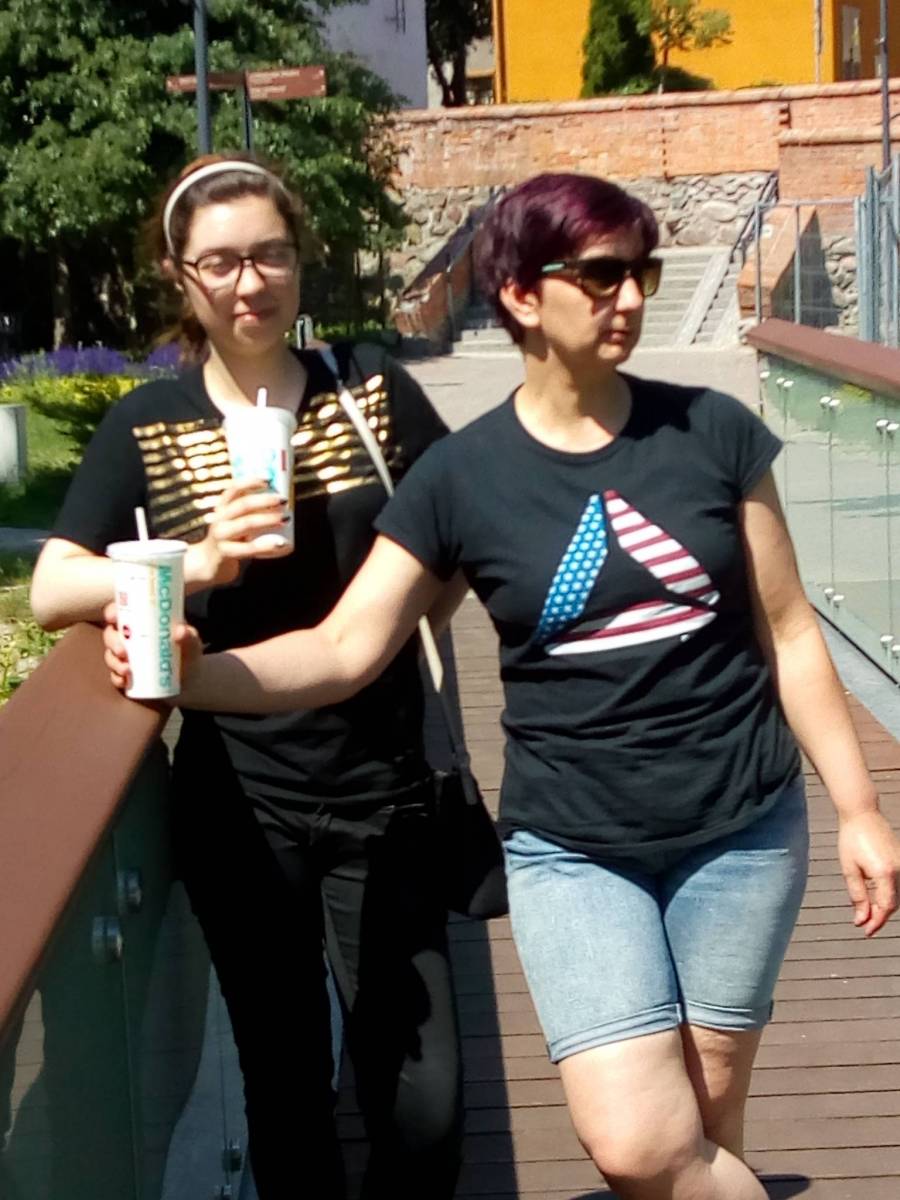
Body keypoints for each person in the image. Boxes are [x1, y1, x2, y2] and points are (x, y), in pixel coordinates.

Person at [106, 171, 900, 1200]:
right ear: (522, 293)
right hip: (572, 843)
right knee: (637, 1142)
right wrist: (189, 678)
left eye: (643, 272)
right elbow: (346, 648)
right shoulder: (461, 476)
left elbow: (789, 631)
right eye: (601, 275)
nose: (629, 297)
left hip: (740, 826)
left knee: (705, 1114)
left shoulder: (714, 432)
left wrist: (859, 808)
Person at [30, 153, 468, 1200]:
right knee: (284, 1084)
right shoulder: (149, 422)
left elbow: (458, 532)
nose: (248, 282)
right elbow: (52, 585)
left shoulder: (372, 391)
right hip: (239, 797)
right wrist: (199, 563)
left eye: (269, 254)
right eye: (220, 262)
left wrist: (407, 609)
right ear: (181, 276)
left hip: (384, 783)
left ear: (299, 259)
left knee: (424, 1098)